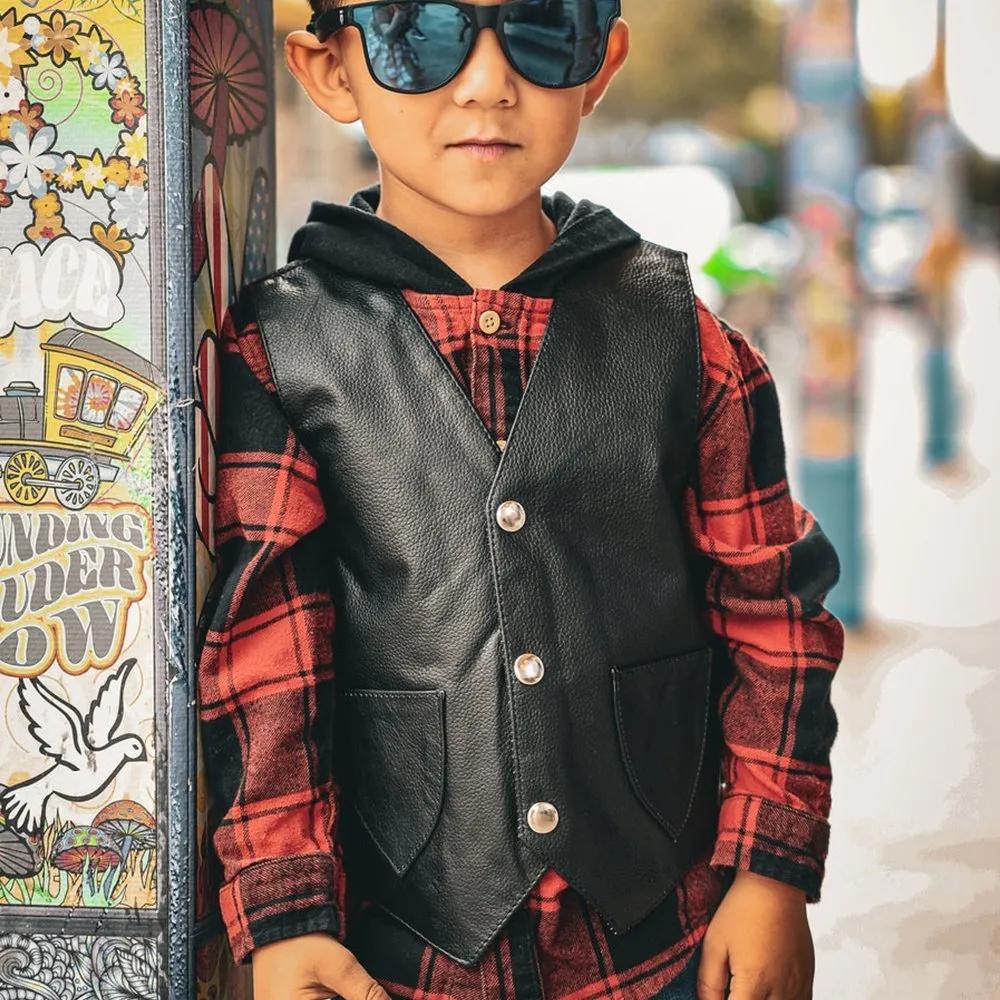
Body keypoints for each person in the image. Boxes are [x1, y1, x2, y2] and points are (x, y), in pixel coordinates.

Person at [194, 2, 845, 999]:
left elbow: (775, 618)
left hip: (663, 948)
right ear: (330, 71)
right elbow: (268, 659)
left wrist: (770, 873)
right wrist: (287, 917)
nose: (488, 83)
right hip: (399, 959)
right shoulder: (279, 352)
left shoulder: (689, 341)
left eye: (542, 28)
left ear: (601, 62)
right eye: (422, 32)